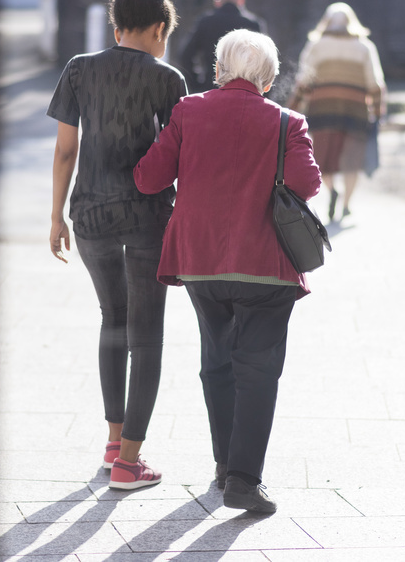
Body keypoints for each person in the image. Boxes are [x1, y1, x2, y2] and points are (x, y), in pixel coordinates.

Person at [134, 29, 321, 513]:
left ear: (218, 70)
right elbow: (307, 183)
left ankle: (223, 463)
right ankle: (243, 478)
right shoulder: (288, 121)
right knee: (257, 369)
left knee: (217, 359)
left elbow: (150, 177)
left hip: (200, 261)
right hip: (266, 264)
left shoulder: (188, 111)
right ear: (269, 77)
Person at [47, 0, 187, 490]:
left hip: (89, 214)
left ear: (114, 27)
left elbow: (65, 151)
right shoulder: (167, 78)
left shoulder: (79, 68)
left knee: (112, 320)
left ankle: (113, 445)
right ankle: (130, 462)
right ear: (158, 29)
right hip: (148, 217)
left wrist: (55, 215)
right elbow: (180, 155)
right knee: (146, 335)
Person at [287, 2, 386, 221]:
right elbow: (374, 82)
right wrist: (378, 111)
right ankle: (347, 204)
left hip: (323, 110)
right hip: (355, 111)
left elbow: (303, 80)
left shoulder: (316, 45)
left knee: (324, 157)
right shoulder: (364, 46)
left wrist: (292, 110)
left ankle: (333, 191)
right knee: (352, 159)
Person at [178, 0, 266, 92]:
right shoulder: (253, 25)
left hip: (211, 88)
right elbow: (264, 61)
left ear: (217, 1)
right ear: (241, 0)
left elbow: (186, 56)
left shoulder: (206, 22)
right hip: (245, 91)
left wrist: (197, 84)